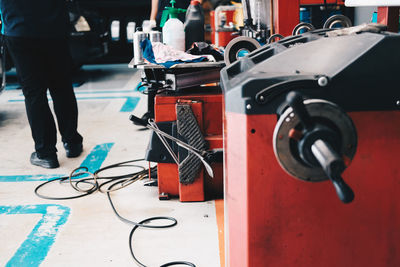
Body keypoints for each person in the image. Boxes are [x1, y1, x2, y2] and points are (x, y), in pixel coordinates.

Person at [0, 0, 83, 169]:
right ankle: (72, 142)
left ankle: (46, 153)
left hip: (19, 29)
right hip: (54, 28)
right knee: (62, 86)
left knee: (34, 93)